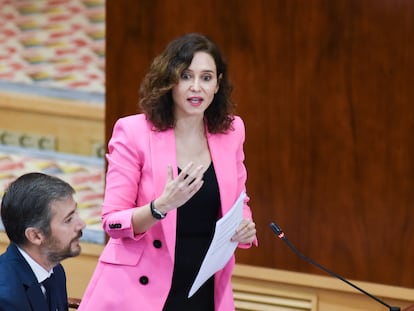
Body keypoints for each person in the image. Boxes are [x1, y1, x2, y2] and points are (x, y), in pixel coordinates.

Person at [78, 32, 257, 311]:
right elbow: (111, 222)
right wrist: (160, 206)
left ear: (218, 84)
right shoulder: (133, 132)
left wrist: (245, 225)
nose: (196, 87)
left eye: (206, 78)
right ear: (169, 81)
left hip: (203, 285)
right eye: (186, 76)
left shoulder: (231, 131)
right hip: (140, 289)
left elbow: (239, 199)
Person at [0, 172, 86, 311]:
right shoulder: (6, 298)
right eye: (68, 220)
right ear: (35, 236)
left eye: (76, 213)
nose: (81, 224)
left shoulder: (54, 270)